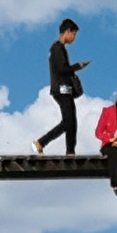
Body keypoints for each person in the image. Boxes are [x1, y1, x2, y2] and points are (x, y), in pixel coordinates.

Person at [33, 19, 91, 155]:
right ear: (68, 32)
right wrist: (78, 66)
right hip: (61, 89)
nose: (74, 38)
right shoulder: (57, 48)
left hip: (64, 89)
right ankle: (43, 142)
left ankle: (69, 151)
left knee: (70, 122)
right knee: (69, 122)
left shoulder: (59, 48)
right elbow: (62, 69)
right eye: (74, 34)